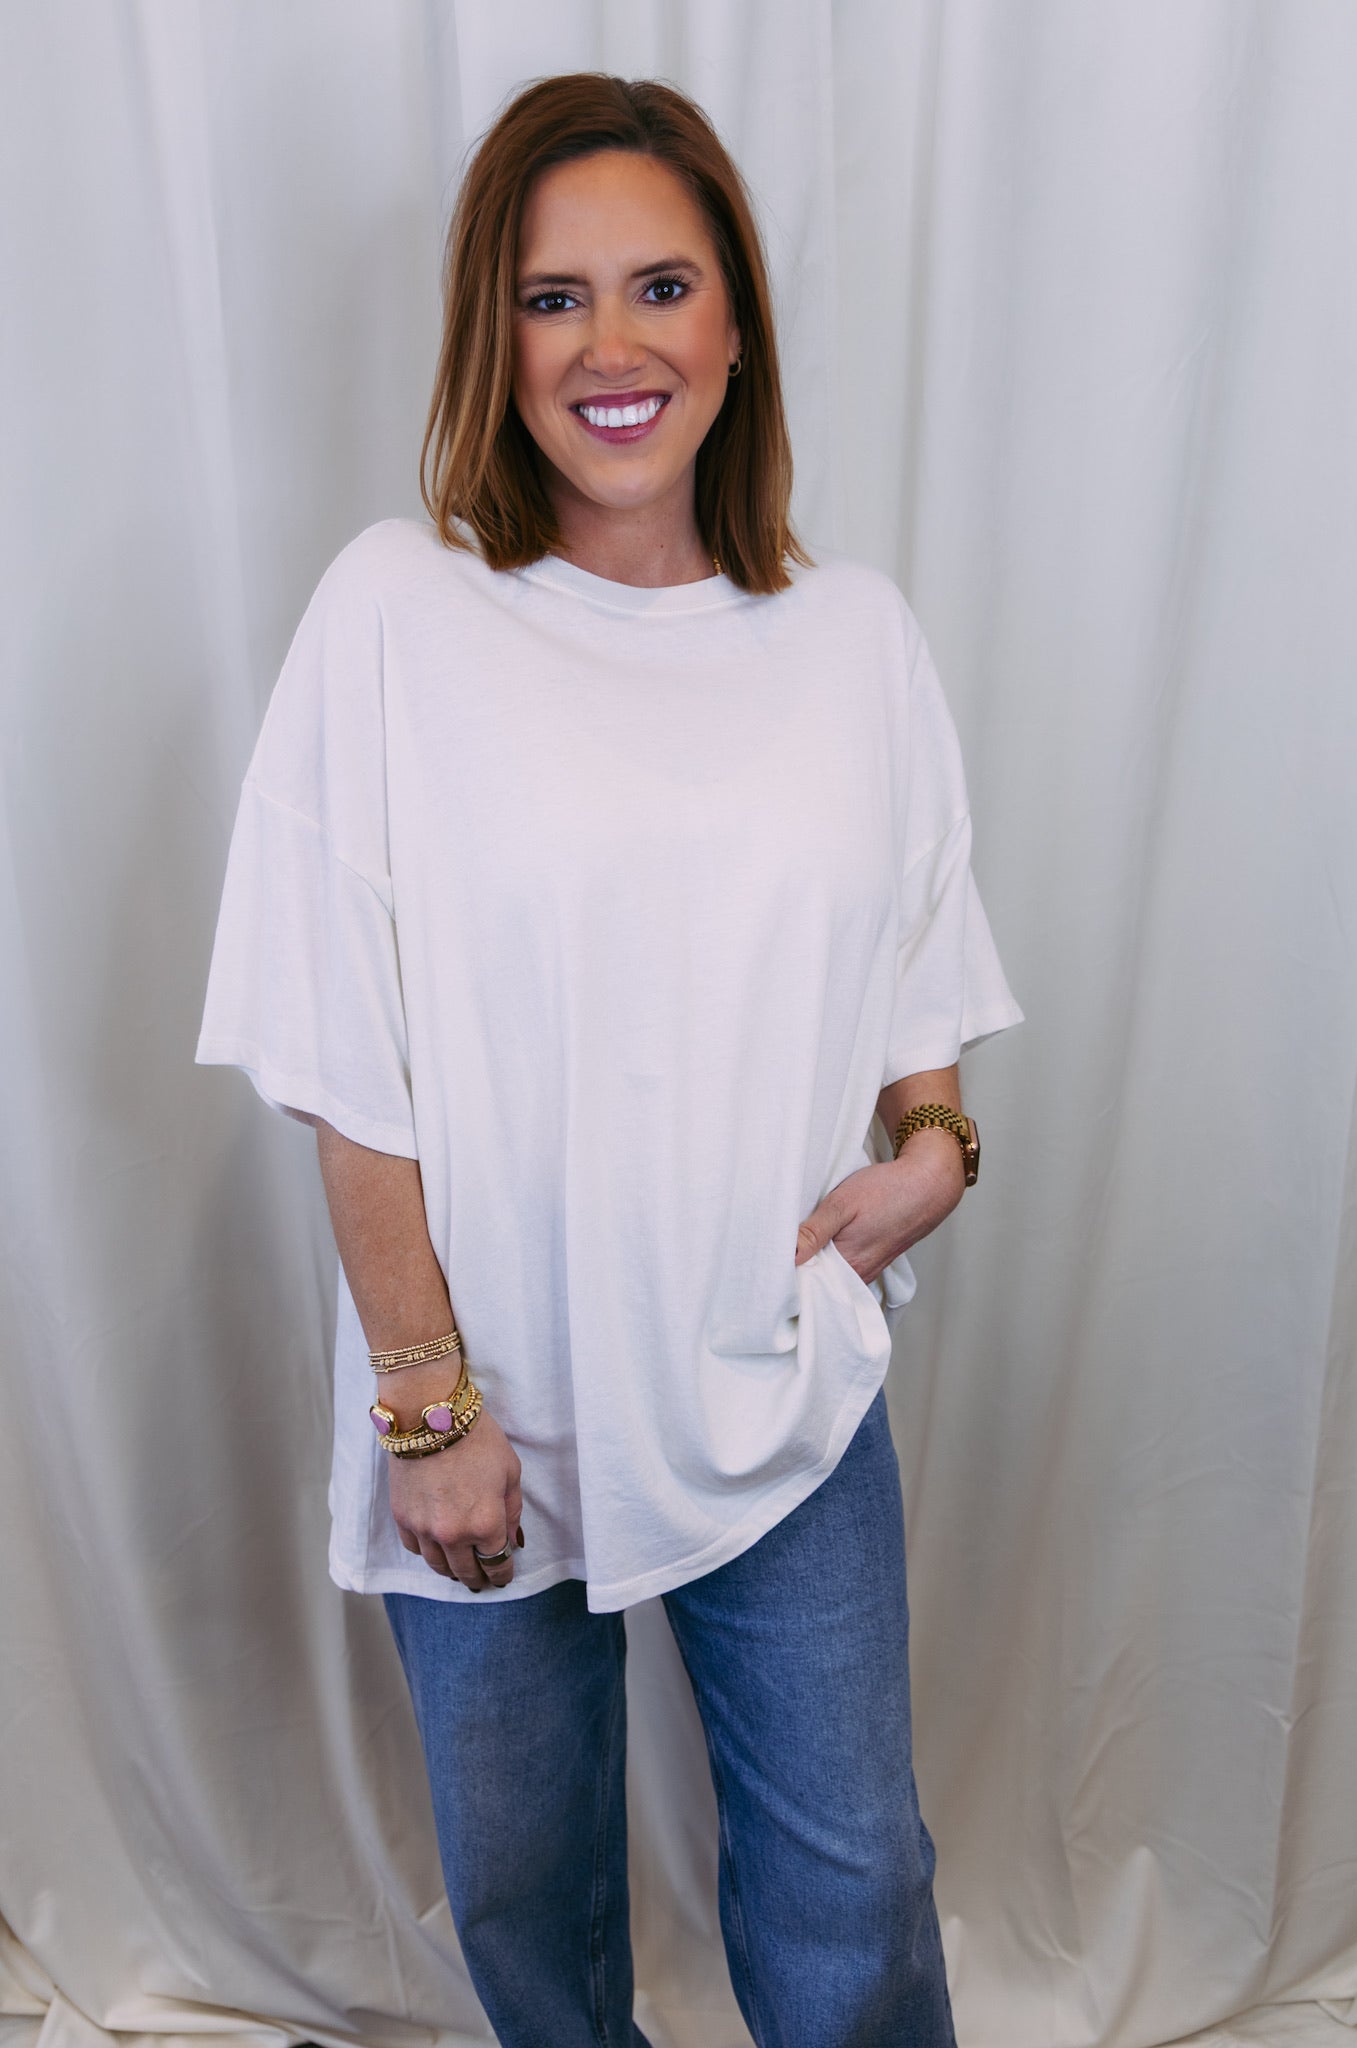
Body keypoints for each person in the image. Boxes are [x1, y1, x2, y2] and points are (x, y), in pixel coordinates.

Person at [197, 70, 1022, 2048]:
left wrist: (932, 1146)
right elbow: (338, 1035)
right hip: (477, 1398)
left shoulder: (853, 639)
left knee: (853, 1897)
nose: (613, 345)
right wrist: (423, 1397)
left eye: (660, 285)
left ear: (733, 323)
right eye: (553, 299)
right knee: (527, 1909)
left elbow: (914, 982)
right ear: (492, 335)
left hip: (777, 1374)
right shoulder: (398, 613)